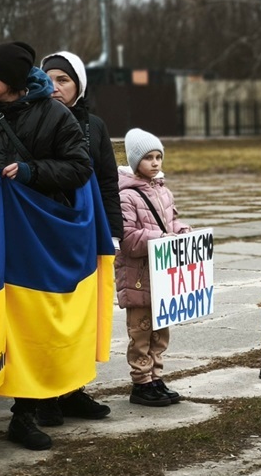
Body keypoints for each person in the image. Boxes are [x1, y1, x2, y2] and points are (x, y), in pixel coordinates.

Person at [0, 42, 92, 462]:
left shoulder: (55, 115)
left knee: (31, 332)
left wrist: (31, 172)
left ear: (8, 80)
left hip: (35, 246)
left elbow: (79, 167)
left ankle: (23, 417)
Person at [36, 51, 118, 426]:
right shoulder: (33, 118)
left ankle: (73, 388)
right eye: (48, 78)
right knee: (49, 315)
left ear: (79, 85)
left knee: (82, 313)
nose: (55, 87)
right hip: (45, 230)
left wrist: (113, 232)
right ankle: (45, 393)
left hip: (86, 231)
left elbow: (106, 180)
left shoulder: (96, 126)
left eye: (63, 80)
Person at [117, 129, 192, 399]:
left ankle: (156, 377)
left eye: (159, 156)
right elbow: (127, 238)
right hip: (139, 277)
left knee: (160, 332)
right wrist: (160, 238)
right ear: (135, 161)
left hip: (162, 276)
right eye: (148, 157)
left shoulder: (163, 191)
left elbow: (172, 221)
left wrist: (182, 231)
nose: (156, 162)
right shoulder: (127, 196)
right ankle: (141, 381)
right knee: (141, 331)